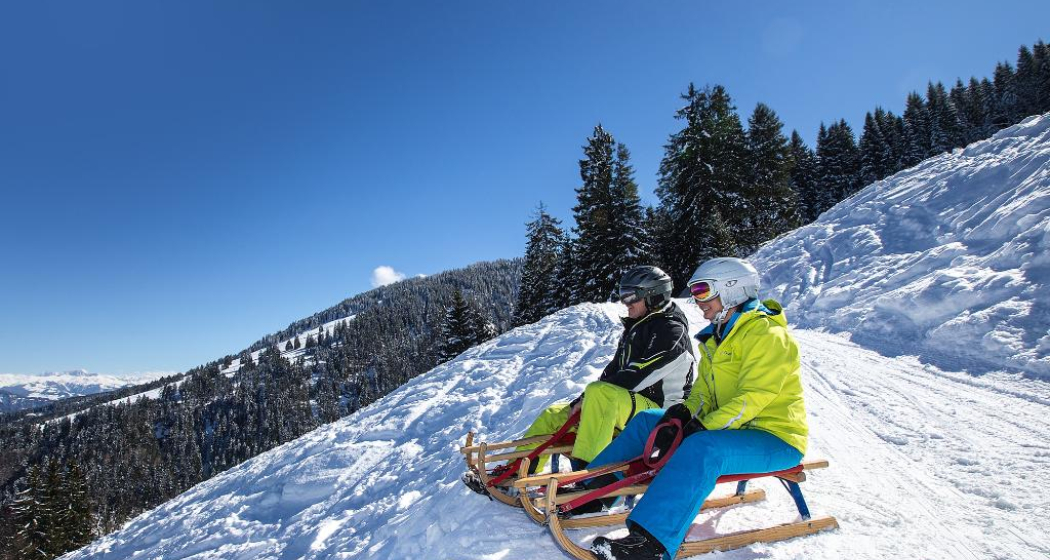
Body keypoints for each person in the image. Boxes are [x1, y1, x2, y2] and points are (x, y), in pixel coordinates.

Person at [580, 257, 809, 560]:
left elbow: (755, 397)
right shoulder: (717, 338)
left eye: (703, 290)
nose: (697, 300)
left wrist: (702, 427)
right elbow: (703, 393)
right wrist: (684, 413)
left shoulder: (768, 336)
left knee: (703, 447)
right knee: (651, 420)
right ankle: (593, 491)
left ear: (731, 289)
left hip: (774, 437)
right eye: (694, 291)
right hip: (736, 432)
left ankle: (651, 542)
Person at [463, 266, 695, 493]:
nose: (625, 302)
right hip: (626, 403)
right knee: (555, 414)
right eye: (623, 294)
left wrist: (594, 396)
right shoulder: (637, 328)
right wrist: (581, 401)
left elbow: (641, 373)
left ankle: (588, 481)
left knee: (601, 395)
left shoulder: (671, 329)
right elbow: (612, 373)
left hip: (662, 412)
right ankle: (517, 472)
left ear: (653, 296)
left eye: (630, 296)